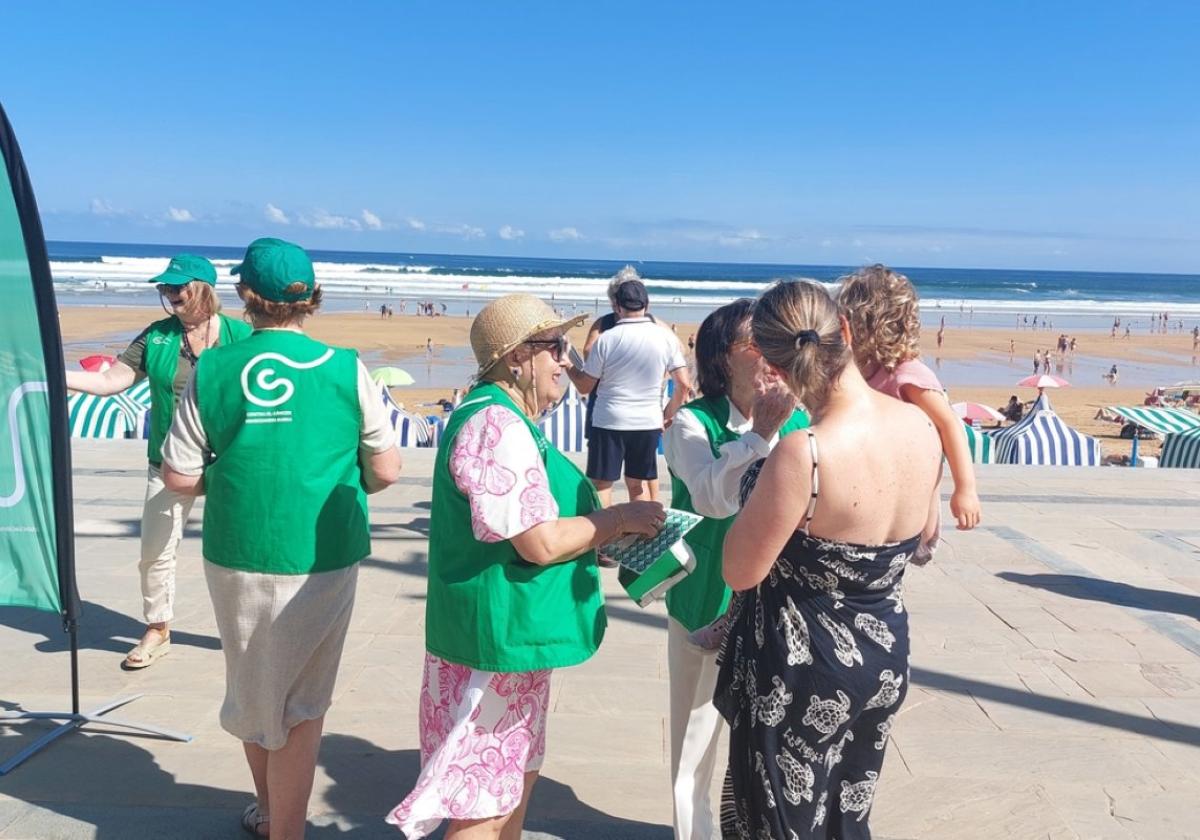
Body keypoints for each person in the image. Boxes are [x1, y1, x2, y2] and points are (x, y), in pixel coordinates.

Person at [388, 294, 664, 838]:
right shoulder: (497, 423)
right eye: (554, 347)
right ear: (518, 357)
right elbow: (536, 541)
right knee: (482, 804)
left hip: (507, 638)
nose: (566, 360)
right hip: (493, 643)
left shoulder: (508, 417)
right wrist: (619, 519)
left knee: (509, 783)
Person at [160, 238, 402, 839]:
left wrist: (239, 474)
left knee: (252, 687)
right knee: (302, 700)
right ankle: (285, 828)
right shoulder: (347, 367)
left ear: (246, 296)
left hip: (237, 552)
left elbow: (179, 476)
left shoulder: (213, 367)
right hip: (323, 553)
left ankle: (271, 814)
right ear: (311, 298)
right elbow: (387, 469)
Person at [715, 280, 942, 838]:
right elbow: (924, 537)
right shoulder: (921, 425)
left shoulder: (806, 452)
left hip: (804, 669)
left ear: (771, 363)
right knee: (848, 813)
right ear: (844, 329)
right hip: (884, 654)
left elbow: (740, 571)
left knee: (785, 822)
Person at [662, 299, 809, 840]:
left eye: (775, 339)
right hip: (705, 599)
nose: (772, 352)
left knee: (767, 744)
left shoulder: (799, 420)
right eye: (757, 341)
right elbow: (710, 498)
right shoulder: (690, 424)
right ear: (724, 356)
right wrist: (759, 438)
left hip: (775, 608)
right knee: (693, 748)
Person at [64, 253, 251, 669]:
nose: (169, 294)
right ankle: (158, 629)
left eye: (176, 287)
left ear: (202, 288)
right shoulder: (157, 337)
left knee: (241, 550)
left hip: (231, 464)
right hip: (168, 462)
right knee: (155, 552)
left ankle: (248, 630)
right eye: (164, 287)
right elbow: (112, 380)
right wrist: (53, 374)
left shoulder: (242, 336)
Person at [838, 265, 981, 532]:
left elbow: (950, 425)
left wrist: (965, 489)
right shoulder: (864, 370)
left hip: (906, 499)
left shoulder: (906, 374)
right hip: (871, 487)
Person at [570, 275, 693, 507]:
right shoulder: (665, 337)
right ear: (647, 306)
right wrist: (667, 412)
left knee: (602, 485)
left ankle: (603, 538)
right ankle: (644, 535)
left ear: (617, 306)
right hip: (646, 421)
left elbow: (585, 386)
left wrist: (569, 367)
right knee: (638, 485)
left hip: (609, 420)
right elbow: (684, 384)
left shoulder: (606, 339)